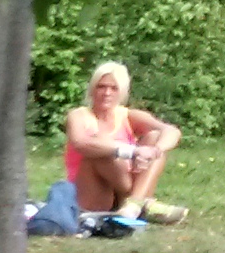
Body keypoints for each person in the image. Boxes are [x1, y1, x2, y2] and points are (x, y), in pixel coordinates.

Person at [60, 62, 186, 230]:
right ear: (92, 89)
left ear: (122, 92)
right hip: (92, 194)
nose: (107, 93)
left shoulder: (127, 115)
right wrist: (132, 151)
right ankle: (142, 203)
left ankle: (134, 204)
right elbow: (80, 143)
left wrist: (155, 151)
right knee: (103, 148)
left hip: (122, 191)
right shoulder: (79, 115)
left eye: (114, 88)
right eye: (101, 87)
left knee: (155, 138)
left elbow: (172, 131)